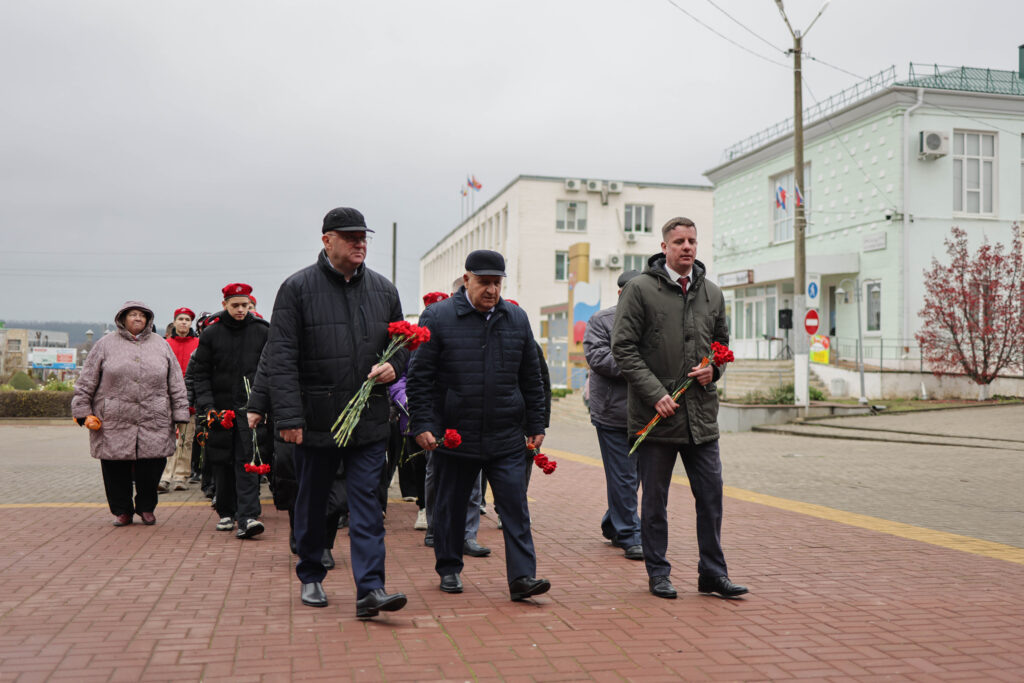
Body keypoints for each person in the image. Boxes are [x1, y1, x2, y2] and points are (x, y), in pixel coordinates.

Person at [255, 206, 408, 617]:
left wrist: (396, 366)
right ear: (327, 241)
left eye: (364, 237)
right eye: (351, 236)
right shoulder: (297, 289)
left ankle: (371, 590)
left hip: (368, 421)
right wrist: (288, 418)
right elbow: (281, 357)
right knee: (312, 503)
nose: (360, 243)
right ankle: (310, 574)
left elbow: (403, 345)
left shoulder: (384, 290)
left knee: (367, 507)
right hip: (316, 422)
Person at [611, 217, 748, 599]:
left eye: (692, 241)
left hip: (700, 418)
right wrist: (655, 393)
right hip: (658, 417)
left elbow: (720, 344)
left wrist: (713, 369)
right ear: (665, 247)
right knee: (655, 502)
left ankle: (712, 574)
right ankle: (658, 573)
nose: (687, 247)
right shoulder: (639, 290)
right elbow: (622, 348)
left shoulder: (713, 293)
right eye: (679, 241)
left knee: (711, 497)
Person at [407, 249, 549, 601]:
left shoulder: (516, 318)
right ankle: (450, 567)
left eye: (497, 283)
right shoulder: (437, 317)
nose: (491, 290)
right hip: (456, 436)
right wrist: (423, 423)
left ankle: (522, 578)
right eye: (484, 282)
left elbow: (531, 376)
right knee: (451, 508)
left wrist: (537, 423)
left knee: (515, 507)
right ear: (466, 278)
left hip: (506, 436)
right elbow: (420, 377)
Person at [71, 301, 189, 526]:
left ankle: (146, 507)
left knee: (152, 466)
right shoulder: (105, 344)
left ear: (148, 320)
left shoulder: (161, 345)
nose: (138, 319)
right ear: (122, 318)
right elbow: (86, 381)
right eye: (133, 315)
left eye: (142, 316)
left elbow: (176, 382)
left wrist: (181, 412)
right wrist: (82, 411)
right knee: (115, 467)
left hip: (154, 416)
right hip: (114, 417)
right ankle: (122, 510)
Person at [191, 283, 270, 539]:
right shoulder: (211, 334)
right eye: (235, 305)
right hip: (220, 411)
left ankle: (248, 517)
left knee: (247, 462)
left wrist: (265, 404)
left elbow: (270, 370)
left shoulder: (262, 331)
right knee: (222, 462)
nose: (240, 310)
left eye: (245, 305)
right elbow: (200, 374)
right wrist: (208, 408)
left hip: (251, 409)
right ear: (224, 304)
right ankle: (225, 509)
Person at [583, 270, 643, 561]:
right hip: (612, 413)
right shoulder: (602, 321)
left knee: (635, 476)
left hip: (646, 411)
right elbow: (598, 358)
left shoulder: (652, 320)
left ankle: (614, 523)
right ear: (620, 294)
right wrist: (641, 367)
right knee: (623, 475)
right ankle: (630, 534)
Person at [159, 307, 199, 492]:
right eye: (180, 319)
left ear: (191, 323)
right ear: (174, 322)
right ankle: (165, 476)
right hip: (166, 399)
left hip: (189, 399)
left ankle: (182, 475)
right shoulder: (164, 344)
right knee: (167, 439)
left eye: (187, 319)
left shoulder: (199, 343)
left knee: (186, 439)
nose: (183, 322)